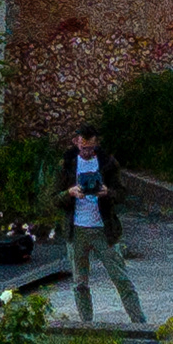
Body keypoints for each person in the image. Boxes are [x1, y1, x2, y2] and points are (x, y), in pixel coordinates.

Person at [64, 125, 147, 329]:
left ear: (96, 144)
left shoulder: (107, 163)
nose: (87, 152)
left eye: (91, 148)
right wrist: (69, 193)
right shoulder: (67, 164)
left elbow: (122, 193)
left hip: (103, 229)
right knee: (80, 283)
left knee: (121, 278)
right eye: (83, 148)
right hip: (77, 229)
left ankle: (140, 324)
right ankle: (86, 325)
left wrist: (107, 192)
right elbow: (52, 198)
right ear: (76, 143)